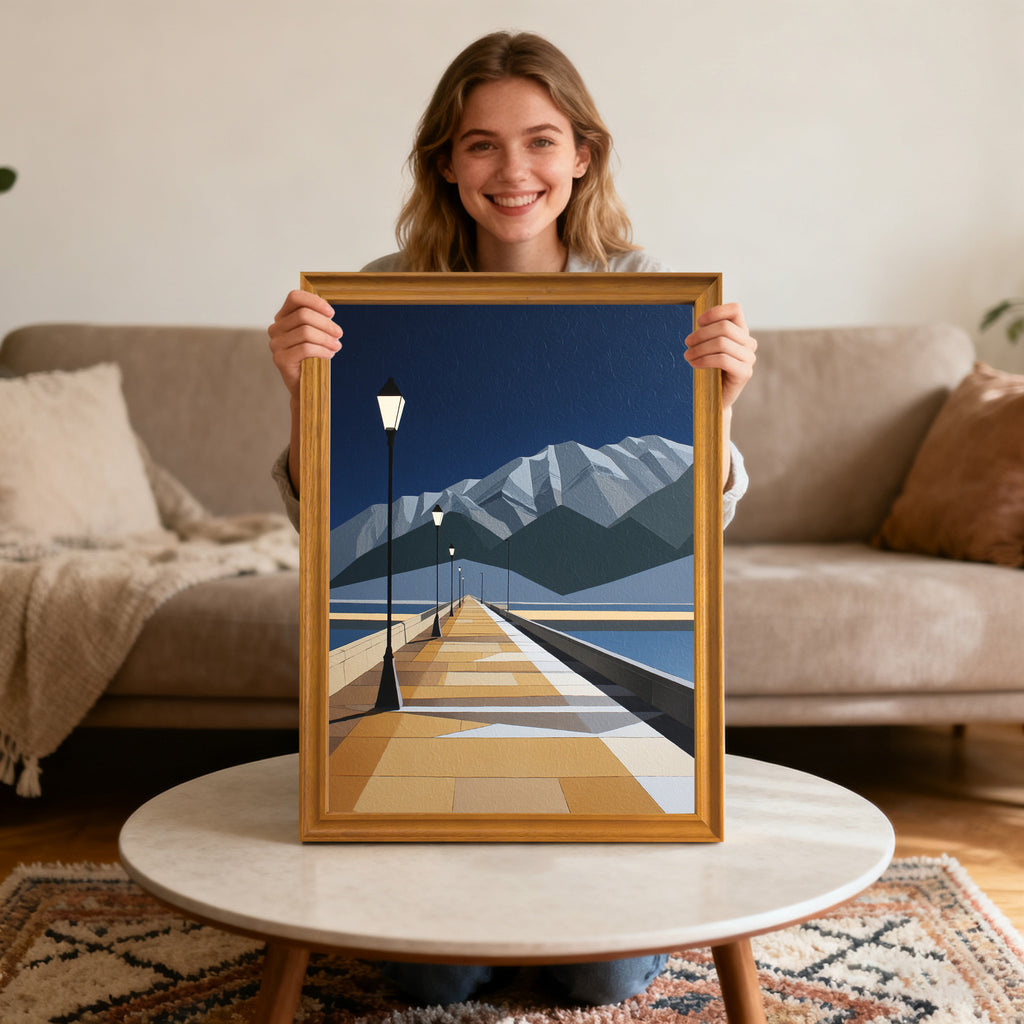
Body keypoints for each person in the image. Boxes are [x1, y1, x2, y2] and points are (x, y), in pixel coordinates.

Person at [267, 30, 757, 1008]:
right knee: (431, 977)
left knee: (596, 978)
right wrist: (302, 394)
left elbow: (695, 524)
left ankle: (600, 890)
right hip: (431, 765)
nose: (513, 170)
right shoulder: (379, 296)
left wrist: (723, 409)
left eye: (540, 141)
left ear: (583, 154)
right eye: (481, 144)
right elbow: (317, 527)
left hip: (595, 800)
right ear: (445, 163)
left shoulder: (647, 294)